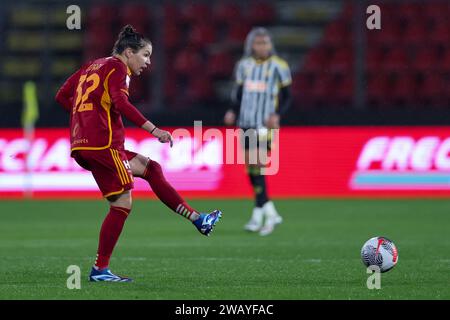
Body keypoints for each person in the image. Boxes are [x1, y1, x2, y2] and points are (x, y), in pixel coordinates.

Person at [55, 25, 222, 282]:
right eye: (145, 55)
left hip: (87, 143)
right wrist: (154, 130)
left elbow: (62, 96)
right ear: (129, 52)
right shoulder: (119, 68)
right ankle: (100, 270)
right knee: (122, 204)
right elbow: (121, 103)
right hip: (103, 144)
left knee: (150, 168)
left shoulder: (93, 65)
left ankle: (198, 219)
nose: (148, 62)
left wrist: (86, 117)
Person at [224, 27, 292, 236]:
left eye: (265, 43)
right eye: (258, 43)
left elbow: (288, 95)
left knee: (258, 163)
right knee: (251, 167)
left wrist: (277, 114)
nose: (262, 47)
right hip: (245, 121)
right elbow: (238, 94)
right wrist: (232, 111)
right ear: (251, 45)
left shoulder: (279, 66)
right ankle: (264, 211)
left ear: (270, 45)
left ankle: (263, 212)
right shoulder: (243, 66)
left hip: (264, 123)